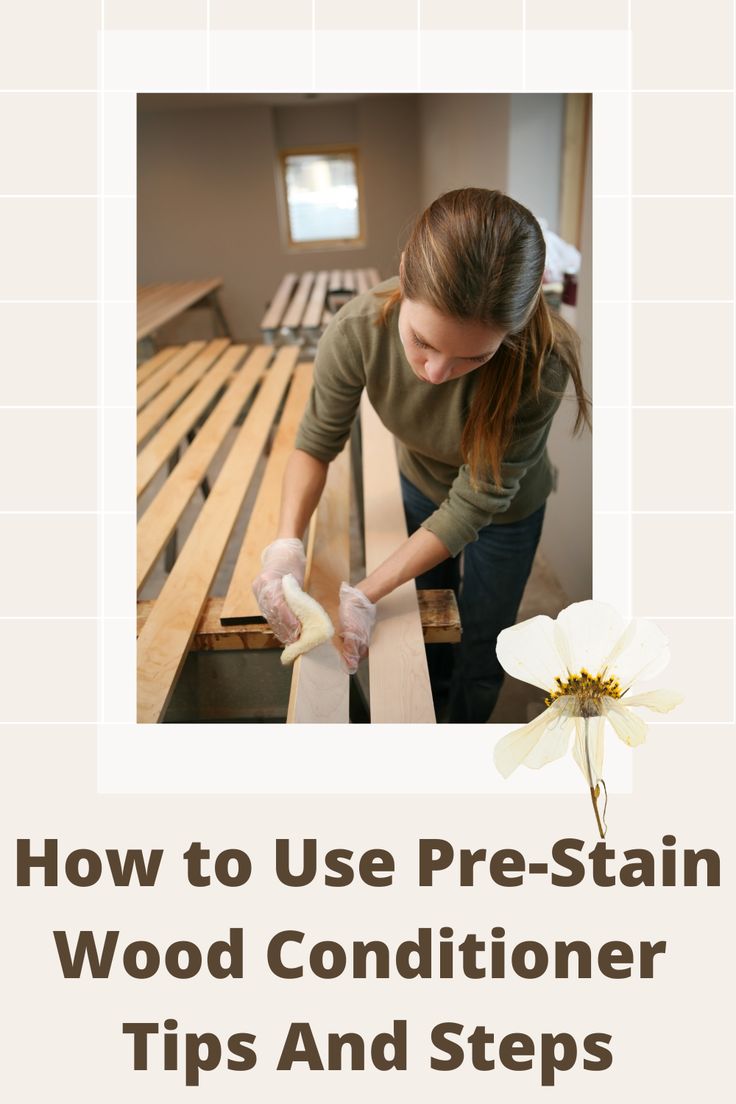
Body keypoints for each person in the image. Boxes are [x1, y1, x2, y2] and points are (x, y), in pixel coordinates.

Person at [253, 188, 589, 722]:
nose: (435, 374)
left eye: (473, 357)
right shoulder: (357, 329)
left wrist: (365, 591)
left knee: (484, 640)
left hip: (508, 511)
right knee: (425, 624)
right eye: (423, 341)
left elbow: (475, 502)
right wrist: (285, 547)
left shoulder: (541, 365)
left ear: (516, 326)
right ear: (406, 273)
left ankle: (461, 735)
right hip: (421, 482)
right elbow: (316, 443)